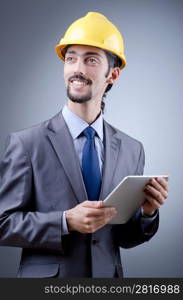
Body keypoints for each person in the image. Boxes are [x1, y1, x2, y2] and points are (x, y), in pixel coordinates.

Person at [0, 12, 168, 278]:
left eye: (90, 60)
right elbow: (3, 223)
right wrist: (64, 221)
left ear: (113, 74)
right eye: (71, 58)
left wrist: (147, 213)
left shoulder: (132, 149)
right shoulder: (26, 144)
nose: (77, 68)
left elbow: (124, 238)